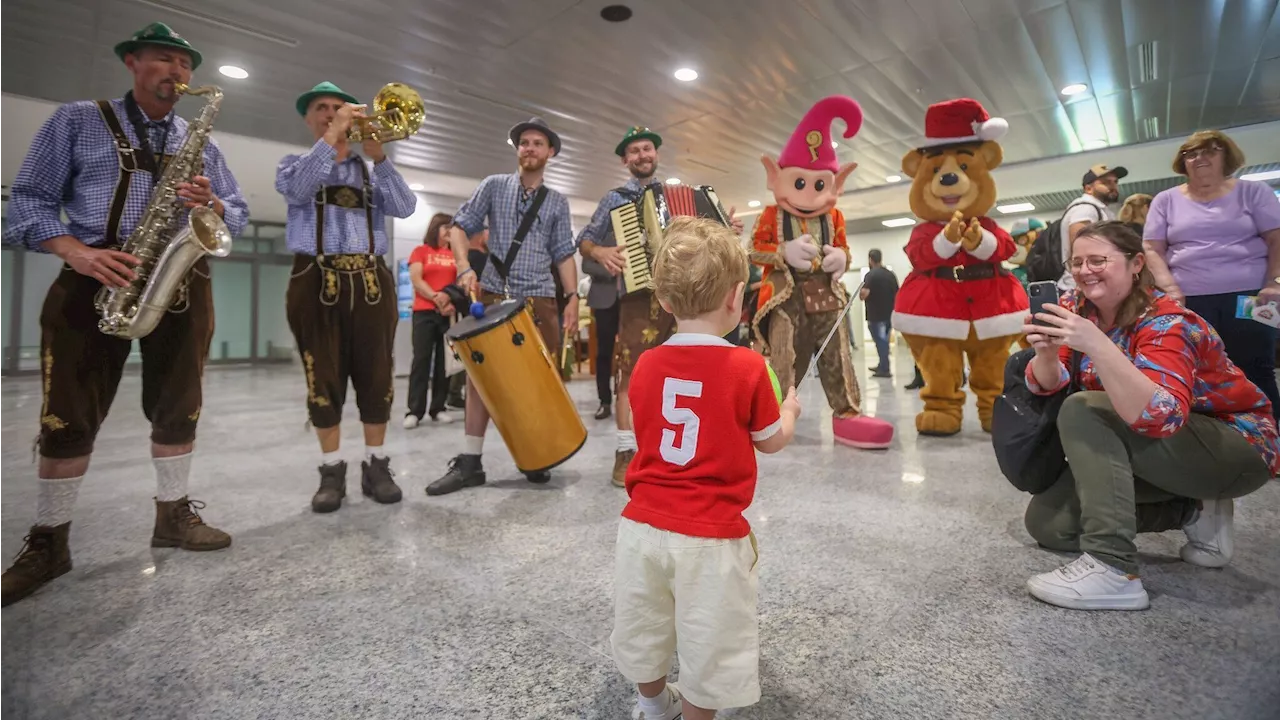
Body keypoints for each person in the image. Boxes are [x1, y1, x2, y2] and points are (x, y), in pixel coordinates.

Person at [0, 22, 250, 607]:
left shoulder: (200, 138)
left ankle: (172, 516)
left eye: (186, 65)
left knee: (180, 402)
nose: (178, 73)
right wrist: (76, 252)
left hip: (181, 284)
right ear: (133, 63)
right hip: (94, 278)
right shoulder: (76, 119)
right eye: (165, 60)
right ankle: (49, 540)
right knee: (68, 410)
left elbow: (234, 209)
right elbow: (29, 203)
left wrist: (213, 203)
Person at [1021, 221, 1277, 611]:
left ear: (1136, 263)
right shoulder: (1077, 308)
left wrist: (1096, 343)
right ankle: (1195, 509)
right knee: (1049, 524)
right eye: (1077, 262)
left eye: (1098, 260)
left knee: (1085, 407)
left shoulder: (1168, 321)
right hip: (1159, 446)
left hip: (1234, 446)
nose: (1084, 270)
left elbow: (1163, 417)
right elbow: (1046, 385)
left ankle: (1113, 569)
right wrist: (1047, 353)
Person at [611, 216, 800, 720]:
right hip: (712, 536)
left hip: (641, 526)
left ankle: (652, 705)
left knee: (645, 624)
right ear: (738, 299)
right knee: (711, 642)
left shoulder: (646, 363)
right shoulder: (749, 367)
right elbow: (771, 442)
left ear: (665, 302)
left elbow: (644, 423)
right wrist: (789, 414)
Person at [276, 81, 419, 513]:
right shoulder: (293, 163)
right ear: (308, 117)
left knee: (377, 373)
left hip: (371, 281)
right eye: (322, 107)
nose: (333, 113)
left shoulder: (368, 170)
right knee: (323, 374)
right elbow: (300, 190)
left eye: (339, 107)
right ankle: (331, 469)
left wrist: (380, 156)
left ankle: (376, 464)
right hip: (314, 278)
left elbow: (406, 207)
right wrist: (331, 138)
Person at [427, 117, 579, 494]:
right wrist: (463, 267)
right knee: (480, 383)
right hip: (494, 296)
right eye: (524, 142)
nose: (529, 148)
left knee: (539, 381)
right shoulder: (494, 186)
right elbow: (460, 226)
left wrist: (572, 297)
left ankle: (537, 452)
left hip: (540, 299)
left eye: (537, 143)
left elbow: (563, 255)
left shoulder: (558, 202)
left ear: (550, 152)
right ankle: (470, 461)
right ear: (518, 149)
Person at [1143, 129, 1280, 419]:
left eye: (1209, 151)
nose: (1199, 158)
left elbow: (1276, 238)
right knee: (1201, 373)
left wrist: (1275, 282)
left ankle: (1272, 443)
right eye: (1190, 153)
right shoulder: (1165, 200)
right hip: (1188, 299)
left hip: (1253, 295)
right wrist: (1169, 287)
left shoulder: (1253, 192)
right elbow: (1151, 248)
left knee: (1256, 368)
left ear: (1225, 155)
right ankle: (1220, 450)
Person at [579, 126, 671, 484]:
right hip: (634, 297)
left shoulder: (675, 195)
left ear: (656, 154)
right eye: (633, 151)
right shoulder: (614, 198)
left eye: (646, 149)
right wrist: (599, 251)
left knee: (675, 373)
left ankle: (667, 448)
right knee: (630, 372)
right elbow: (584, 239)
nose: (641, 156)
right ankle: (625, 450)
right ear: (625, 160)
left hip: (674, 298)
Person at [404, 212, 458, 428]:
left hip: (447, 314)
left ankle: (438, 407)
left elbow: (459, 282)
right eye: (445, 227)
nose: (448, 232)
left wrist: (450, 300)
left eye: (451, 228)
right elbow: (416, 279)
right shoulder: (421, 251)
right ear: (435, 229)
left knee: (444, 364)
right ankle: (414, 411)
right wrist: (436, 298)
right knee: (421, 360)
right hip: (424, 312)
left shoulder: (456, 255)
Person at [1057, 164, 1126, 290]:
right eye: (1106, 182)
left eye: (1115, 182)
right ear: (1088, 188)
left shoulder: (1098, 209)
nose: (1113, 186)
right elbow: (1079, 250)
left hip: (1090, 282)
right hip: (1082, 286)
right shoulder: (1086, 209)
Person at [446, 226, 489, 410]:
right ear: (480, 236)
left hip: (471, 312)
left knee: (468, 354)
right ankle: (457, 394)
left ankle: (455, 393)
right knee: (473, 355)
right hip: (478, 312)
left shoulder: (474, 258)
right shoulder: (476, 258)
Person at [859, 249, 899, 377]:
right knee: (885, 341)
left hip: (875, 315)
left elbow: (863, 294)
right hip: (889, 314)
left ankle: (885, 369)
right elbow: (898, 293)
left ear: (870, 259)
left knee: (880, 341)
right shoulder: (890, 274)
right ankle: (882, 365)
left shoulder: (870, 275)